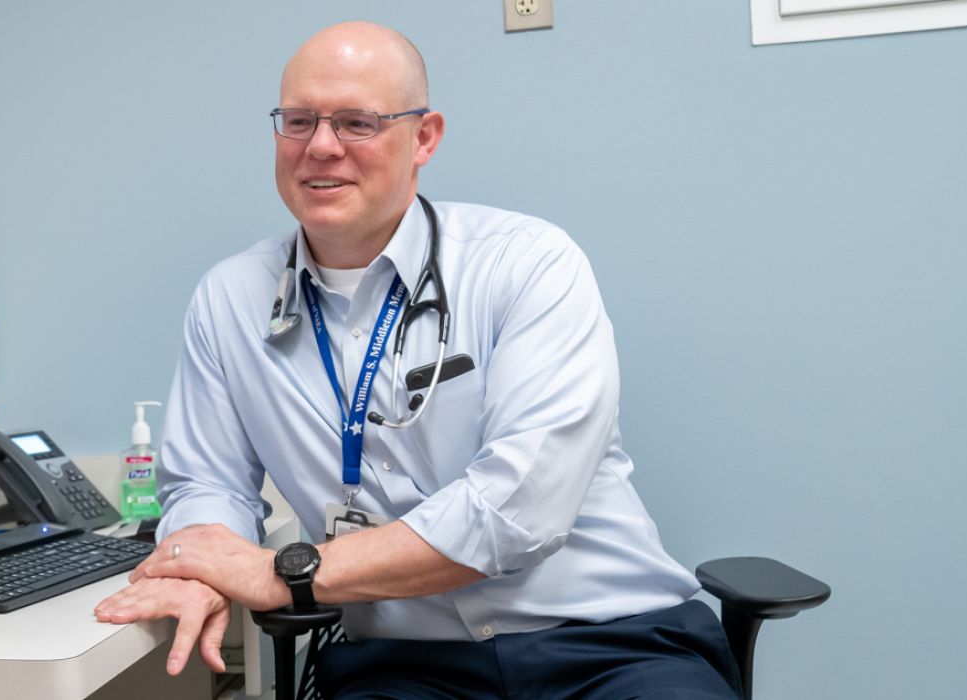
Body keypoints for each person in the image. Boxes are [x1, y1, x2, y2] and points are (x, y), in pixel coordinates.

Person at [94, 21, 742, 699]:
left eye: (356, 122)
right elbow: (207, 482)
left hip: (611, 644)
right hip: (407, 667)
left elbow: (518, 509)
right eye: (298, 121)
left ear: (423, 137)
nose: (320, 147)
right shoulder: (229, 300)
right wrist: (201, 561)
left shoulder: (526, 263)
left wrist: (289, 573)